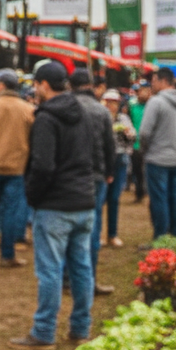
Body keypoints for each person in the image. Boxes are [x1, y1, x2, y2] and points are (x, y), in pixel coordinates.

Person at [10, 61, 95, 350]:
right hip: (83, 201)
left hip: (55, 205)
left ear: (44, 85)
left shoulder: (46, 118)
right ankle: (81, 328)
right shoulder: (82, 111)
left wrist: (33, 197)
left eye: (36, 84)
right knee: (82, 267)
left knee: (50, 270)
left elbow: (43, 166)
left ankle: (44, 332)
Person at [0, 68, 33, 268]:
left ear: (0, 86)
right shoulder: (28, 109)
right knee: (11, 213)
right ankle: (7, 255)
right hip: (16, 169)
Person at [69, 68, 116, 295]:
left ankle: (67, 278)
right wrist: (109, 171)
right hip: (96, 175)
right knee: (92, 228)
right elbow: (110, 145)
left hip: (69, 176)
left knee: (67, 228)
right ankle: (89, 280)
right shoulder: (101, 110)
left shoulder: (65, 107)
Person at [138, 67, 176, 240]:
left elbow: (144, 133)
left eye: (153, 81)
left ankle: (160, 238)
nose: (151, 85)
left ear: (163, 81)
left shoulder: (156, 102)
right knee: (175, 198)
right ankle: (175, 235)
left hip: (157, 159)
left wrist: (145, 150)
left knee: (159, 199)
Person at [101, 90, 135, 248]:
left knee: (114, 198)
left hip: (120, 159)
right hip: (103, 160)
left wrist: (128, 133)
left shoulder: (124, 119)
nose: (111, 106)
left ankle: (112, 234)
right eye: (108, 102)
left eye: (113, 102)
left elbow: (133, 136)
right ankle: (98, 234)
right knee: (100, 199)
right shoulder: (101, 117)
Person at [128, 82, 151, 201]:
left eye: (145, 90)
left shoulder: (152, 106)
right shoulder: (132, 106)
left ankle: (146, 190)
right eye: (141, 90)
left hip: (150, 144)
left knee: (147, 169)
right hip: (136, 143)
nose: (143, 93)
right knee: (137, 169)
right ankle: (139, 192)